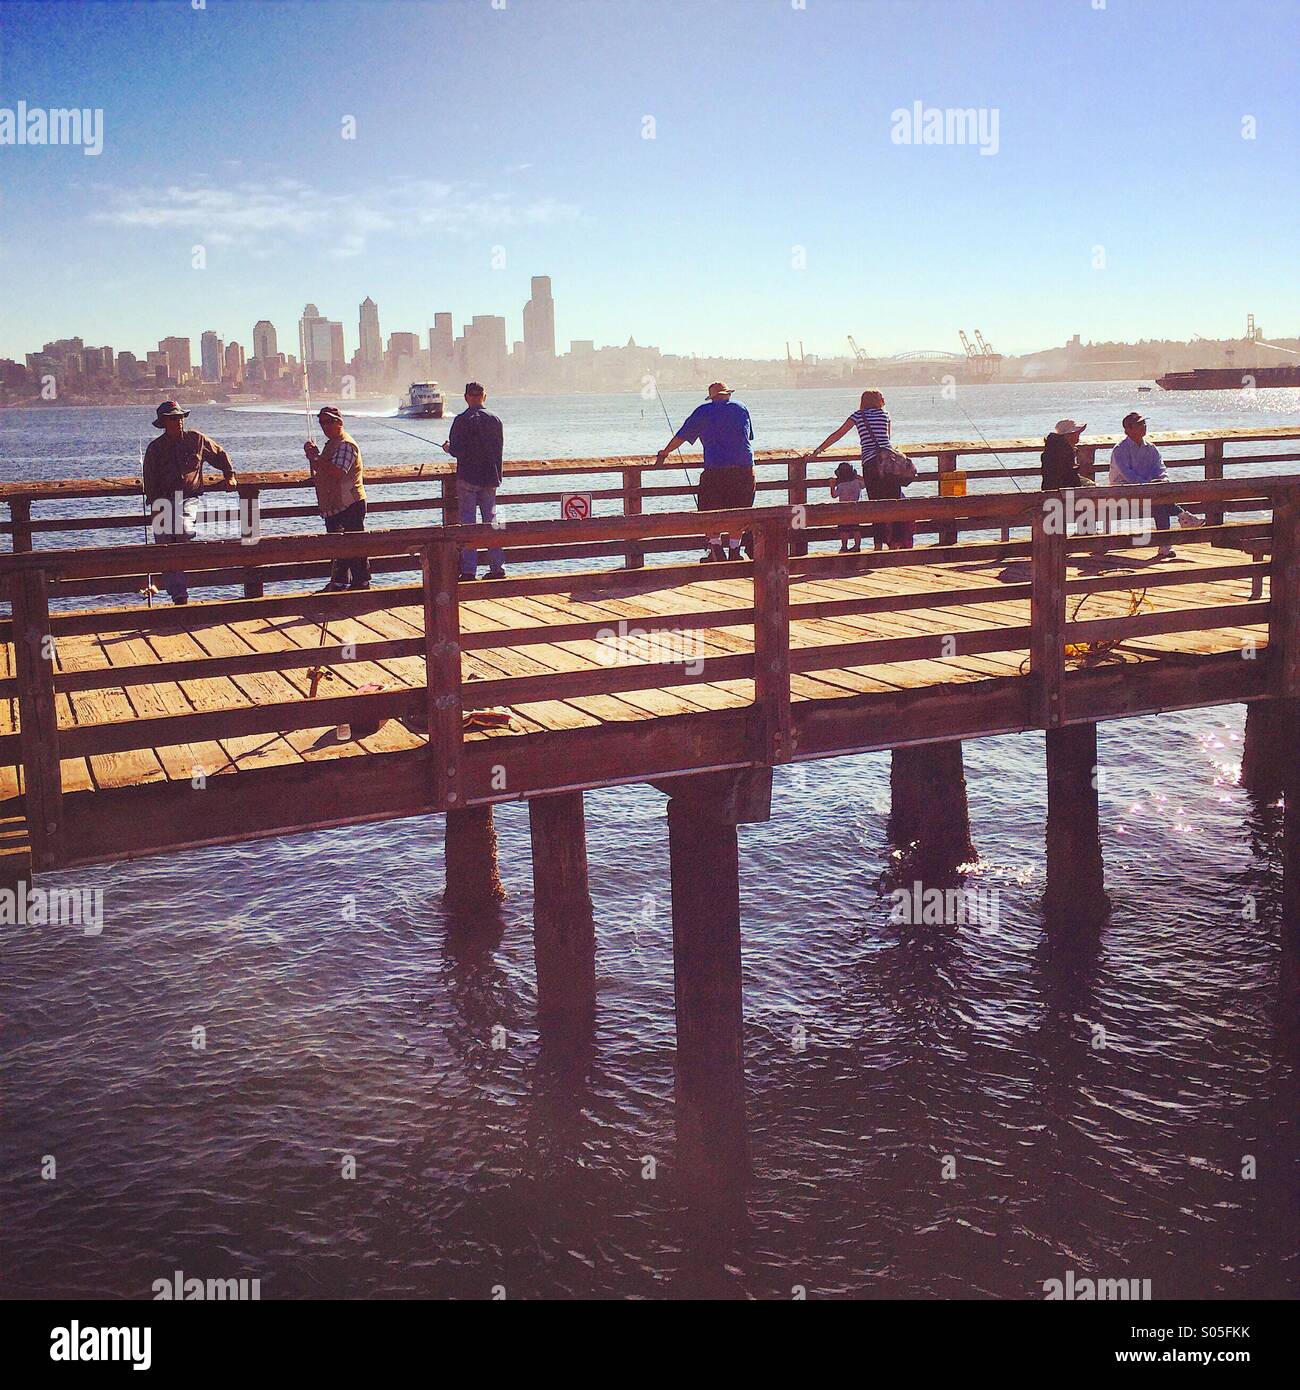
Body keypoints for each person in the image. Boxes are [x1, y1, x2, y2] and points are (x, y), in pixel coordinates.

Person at [141, 399, 237, 605]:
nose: (178, 421)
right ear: (164, 423)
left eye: (180, 417)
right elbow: (149, 479)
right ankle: (179, 595)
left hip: (187, 498)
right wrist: (155, 508)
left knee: (182, 530)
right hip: (161, 501)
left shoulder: (197, 440)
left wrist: (229, 475)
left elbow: (220, 454)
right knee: (165, 548)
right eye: (173, 418)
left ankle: (169, 582)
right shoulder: (155, 449)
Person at [655, 381, 755, 562]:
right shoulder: (742, 409)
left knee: (709, 511)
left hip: (716, 469)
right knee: (740, 511)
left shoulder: (703, 411)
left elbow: (681, 436)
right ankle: (734, 551)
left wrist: (665, 452)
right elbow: (748, 437)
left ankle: (716, 550)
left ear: (712, 397)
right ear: (727, 394)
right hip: (744, 468)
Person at [807, 389, 912, 550]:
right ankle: (895, 545)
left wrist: (818, 451)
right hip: (890, 464)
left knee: (875, 505)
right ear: (877, 400)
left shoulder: (858, 415)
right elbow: (887, 440)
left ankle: (878, 546)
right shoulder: (885, 415)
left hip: (871, 463)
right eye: (882, 397)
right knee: (893, 504)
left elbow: (838, 434)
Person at [442, 381, 505, 580]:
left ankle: (469, 571)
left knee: (468, 524)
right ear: (484, 397)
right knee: (492, 522)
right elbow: (499, 450)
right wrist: (498, 477)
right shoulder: (495, 420)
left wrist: (447, 448)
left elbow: (457, 450)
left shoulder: (461, 420)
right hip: (490, 477)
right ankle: (497, 568)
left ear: (466, 397)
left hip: (468, 478)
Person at [304, 406, 369, 591]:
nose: (324, 426)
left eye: (329, 422)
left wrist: (316, 457)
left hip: (350, 503)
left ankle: (361, 584)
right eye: (322, 422)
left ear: (339, 422)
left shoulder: (346, 444)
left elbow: (338, 472)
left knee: (355, 547)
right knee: (337, 548)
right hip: (334, 505)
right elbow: (323, 468)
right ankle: (339, 583)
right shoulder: (331, 444)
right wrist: (313, 458)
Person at [1110, 411, 1177, 560]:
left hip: (1147, 491)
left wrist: (1162, 481)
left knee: (1160, 501)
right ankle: (1180, 518)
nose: (1143, 426)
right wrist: (1147, 485)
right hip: (1123, 492)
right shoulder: (1120, 449)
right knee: (1158, 501)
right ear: (1128, 429)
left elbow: (1160, 468)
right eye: (1139, 424)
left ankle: (1166, 544)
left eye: (1144, 423)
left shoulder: (1150, 448)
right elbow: (1127, 475)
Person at [1040, 418, 1091, 490]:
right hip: (1061, 490)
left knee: (1090, 484)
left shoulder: (1053, 447)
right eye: (1076, 432)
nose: (1078, 434)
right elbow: (1068, 477)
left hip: (1050, 487)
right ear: (1068, 435)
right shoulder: (1064, 451)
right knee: (1093, 487)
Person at [830, 459, 864, 552]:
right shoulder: (857, 483)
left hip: (843, 510)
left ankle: (844, 546)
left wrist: (832, 486)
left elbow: (834, 495)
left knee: (844, 529)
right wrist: (860, 478)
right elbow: (865, 485)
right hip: (855, 508)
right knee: (856, 528)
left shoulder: (841, 485)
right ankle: (857, 546)